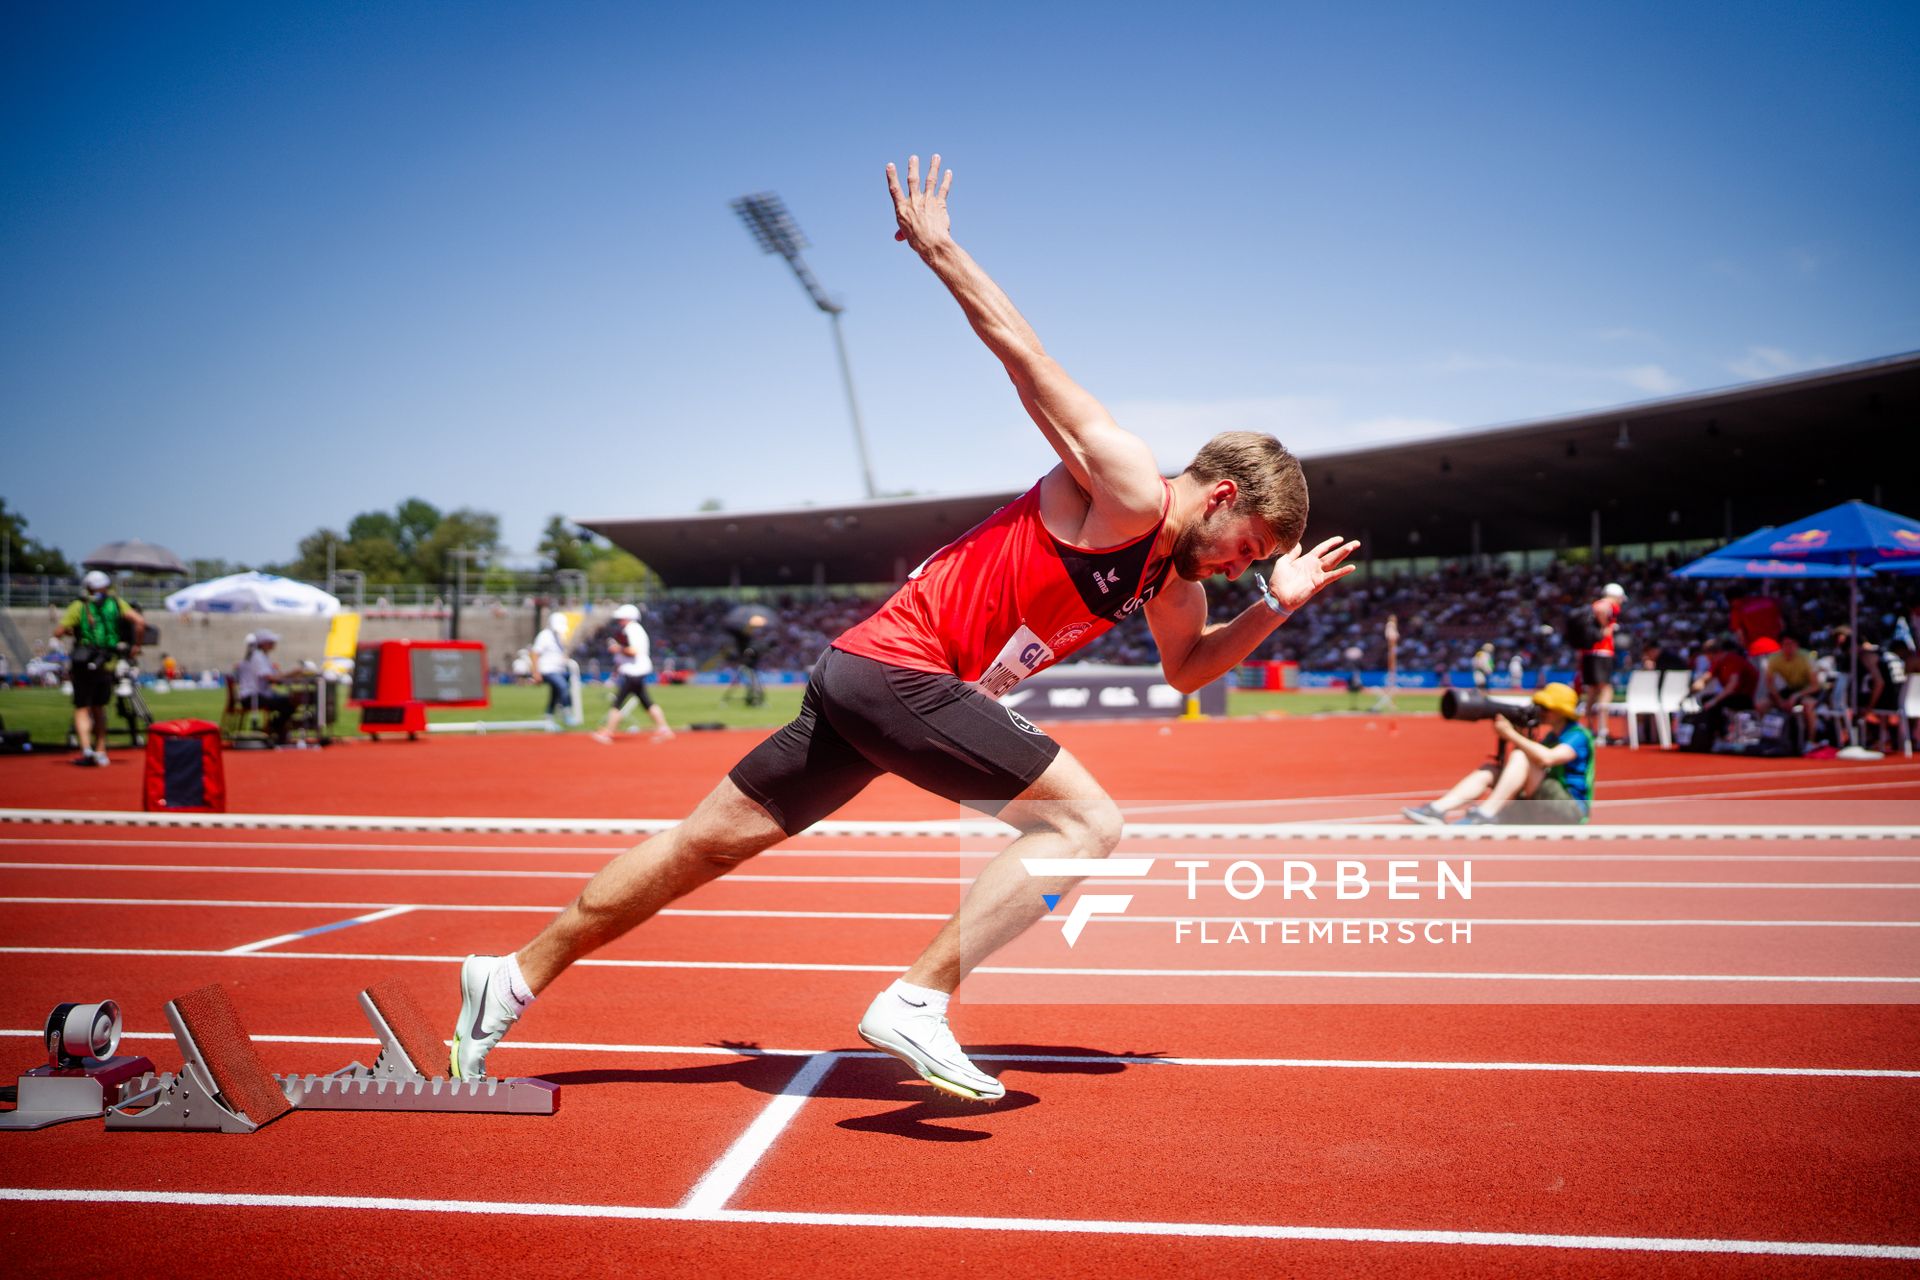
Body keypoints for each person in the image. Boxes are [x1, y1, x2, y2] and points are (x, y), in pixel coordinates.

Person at [449, 153, 1359, 1101]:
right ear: (1219, 496)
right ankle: (918, 1001)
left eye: (1252, 564)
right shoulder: (1128, 487)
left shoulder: (1177, 583)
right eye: (1246, 547)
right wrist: (940, 249)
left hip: (870, 681)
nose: (1240, 565)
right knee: (1087, 822)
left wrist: (1274, 605)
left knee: (701, 847)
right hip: (901, 672)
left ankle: (507, 980)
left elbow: (1188, 672)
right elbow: (1025, 357)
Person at [1400, 682, 1594, 826]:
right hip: (1546, 801)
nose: (1541, 712)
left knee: (1521, 756)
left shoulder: (1577, 735)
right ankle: (1437, 810)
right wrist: (1517, 733)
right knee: (1491, 770)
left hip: (1571, 810)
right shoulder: (1552, 735)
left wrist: (1510, 734)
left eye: (1546, 708)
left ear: (1561, 711)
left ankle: (1486, 814)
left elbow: (1547, 758)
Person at [53, 570, 145, 766]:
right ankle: (101, 751)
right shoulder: (116, 603)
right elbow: (140, 622)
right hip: (107, 661)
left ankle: (86, 749)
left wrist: (73, 630)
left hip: (83, 660)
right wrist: (136, 646)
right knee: (99, 707)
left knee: (81, 708)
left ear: (87, 587)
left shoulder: (80, 605)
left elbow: (58, 631)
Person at [591, 603, 671, 743]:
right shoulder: (633, 629)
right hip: (635, 671)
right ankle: (664, 729)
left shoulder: (632, 630)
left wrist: (618, 648)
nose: (619, 621)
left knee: (618, 702)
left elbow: (633, 651)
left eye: (621, 618)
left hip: (634, 672)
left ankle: (608, 732)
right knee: (646, 702)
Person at [1578, 583, 1625, 744]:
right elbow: (1602, 608)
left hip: (1589, 654)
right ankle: (1603, 732)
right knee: (1606, 690)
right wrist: (1606, 627)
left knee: (1592, 692)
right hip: (1602, 654)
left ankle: (1590, 729)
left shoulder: (1593, 607)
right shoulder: (1607, 604)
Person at [1690, 634, 1758, 746]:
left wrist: (1714, 701)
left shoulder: (1732, 659)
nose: (1707, 659)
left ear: (1714, 653)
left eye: (1707, 655)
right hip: (1733, 696)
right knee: (1706, 699)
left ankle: (1722, 735)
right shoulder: (1718, 662)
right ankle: (1712, 735)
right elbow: (1708, 676)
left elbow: (1731, 687)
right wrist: (1697, 685)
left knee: (1714, 704)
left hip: (1745, 697)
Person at [1757, 633, 1821, 750]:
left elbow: (1815, 685)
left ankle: (1811, 742)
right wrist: (1779, 700)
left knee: (1808, 705)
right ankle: (1765, 739)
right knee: (1761, 705)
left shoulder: (1807, 657)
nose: (1788, 647)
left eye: (1791, 644)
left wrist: (1797, 696)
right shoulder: (1774, 658)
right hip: (1788, 692)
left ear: (1797, 645)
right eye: (1785, 644)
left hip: (1806, 691)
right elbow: (1769, 684)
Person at [235, 630, 296, 744]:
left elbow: (273, 676)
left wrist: (285, 676)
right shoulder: (258, 657)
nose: (274, 644)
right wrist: (292, 674)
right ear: (263, 643)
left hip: (257, 694)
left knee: (287, 700)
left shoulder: (259, 656)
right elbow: (270, 678)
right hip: (252, 696)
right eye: (271, 641)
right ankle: (273, 728)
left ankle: (275, 728)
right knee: (290, 702)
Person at [531, 611, 574, 726]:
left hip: (559, 669)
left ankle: (548, 716)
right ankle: (567, 712)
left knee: (555, 693)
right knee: (563, 686)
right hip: (547, 670)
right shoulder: (544, 635)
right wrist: (536, 672)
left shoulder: (559, 636)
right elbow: (535, 653)